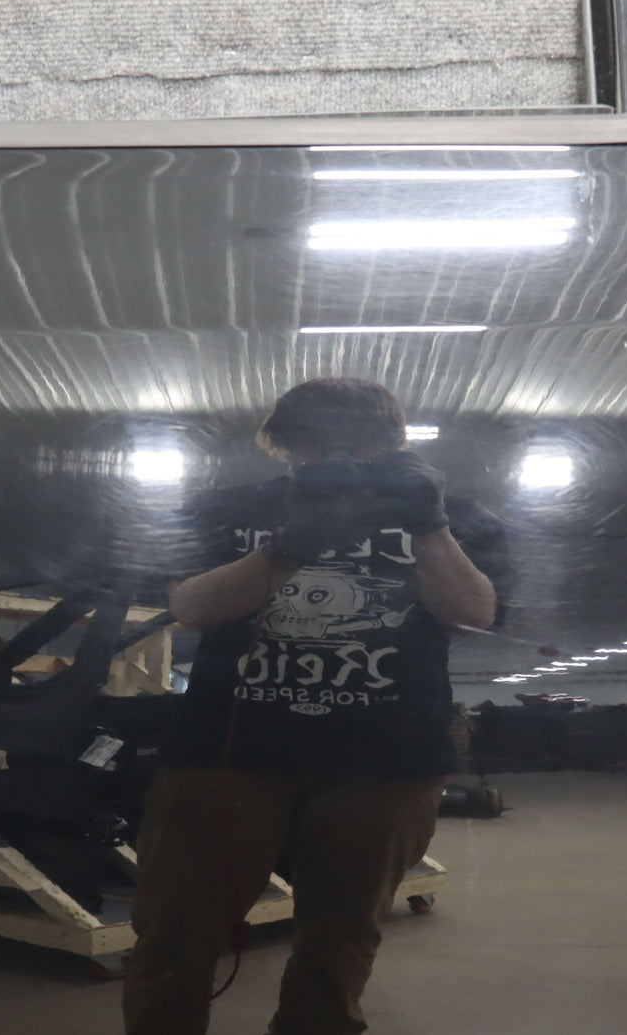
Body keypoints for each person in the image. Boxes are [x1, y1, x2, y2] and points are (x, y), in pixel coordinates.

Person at [122, 377, 497, 1035]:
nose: (338, 458)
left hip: (386, 762)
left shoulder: (446, 514)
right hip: (225, 754)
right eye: (317, 443)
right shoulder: (227, 508)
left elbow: (473, 612)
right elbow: (191, 609)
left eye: (361, 443)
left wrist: (430, 527)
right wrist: (288, 546)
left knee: (343, 938)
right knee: (173, 932)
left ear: (392, 444)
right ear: (285, 444)